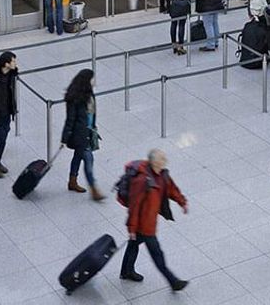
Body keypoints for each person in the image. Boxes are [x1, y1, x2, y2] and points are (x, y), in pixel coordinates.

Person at [120, 149, 189, 291]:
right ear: (155, 162)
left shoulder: (162, 175)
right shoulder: (142, 181)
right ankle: (173, 281)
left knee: (133, 244)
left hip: (149, 221)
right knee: (157, 254)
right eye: (162, 158)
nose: (165, 160)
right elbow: (134, 205)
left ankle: (126, 271)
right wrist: (132, 228)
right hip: (144, 226)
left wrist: (182, 202)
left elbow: (171, 189)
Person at [62, 69, 104, 201]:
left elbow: (92, 113)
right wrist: (65, 137)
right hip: (80, 134)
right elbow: (70, 119)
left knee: (78, 156)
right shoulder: (75, 99)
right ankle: (94, 189)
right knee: (88, 159)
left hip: (89, 131)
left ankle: (72, 181)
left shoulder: (89, 94)